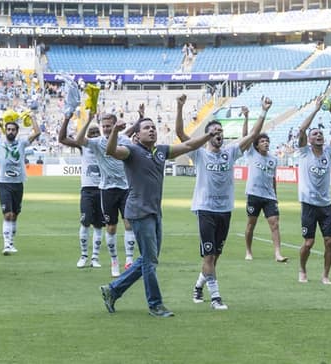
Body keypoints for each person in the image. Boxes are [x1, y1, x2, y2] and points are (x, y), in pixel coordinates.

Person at [99, 109, 217, 317]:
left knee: (148, 259)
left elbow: (188, 145)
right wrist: (116, 132)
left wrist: (208, 135)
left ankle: (113, 290)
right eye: (147, 128)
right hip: (138, 212)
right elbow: (111, 151)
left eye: (153, 127)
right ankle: (155, 304)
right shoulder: (131, 151)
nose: (152, 130)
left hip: (154, 212)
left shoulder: (161, 151)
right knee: (150, 261)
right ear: (137, 135)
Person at [176, 95, 271, 310]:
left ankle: (199, 286)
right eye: (214, 132)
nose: (219, 134)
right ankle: (216, 298)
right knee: (209, 254)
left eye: (221, 131)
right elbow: (181, 134)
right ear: (208, 135)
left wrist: (263, 111)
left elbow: (254, 134)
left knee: (215, 256)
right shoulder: (199, 154)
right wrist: (181, 106)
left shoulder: (231, 152)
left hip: (225, 209)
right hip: (205, 209)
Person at [76, 113, 137, 278]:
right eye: (104, 126)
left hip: (125, 188)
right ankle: (114, 261)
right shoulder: (97, 143)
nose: (106, 129)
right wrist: (88, 120)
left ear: (115, 125)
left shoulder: (124, 140)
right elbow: (79, 140)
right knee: (111, 227)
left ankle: (129, 260)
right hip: (107, 189)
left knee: (129, 224)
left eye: (109, 126)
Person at [296, 96, 331, 285]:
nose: (318, 136)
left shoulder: (329, 153)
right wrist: (315, 109)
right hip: (308, 204)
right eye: (315, 134)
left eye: (320, 134)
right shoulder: (304, 152)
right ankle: (302, 269)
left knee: (329, 241)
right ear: (309, 139)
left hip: (326, 205)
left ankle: (325, 275)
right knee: (309, 242)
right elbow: (301, 130)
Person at [0, 115, 41, 255]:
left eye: (13, 130)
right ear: (5, 130)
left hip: (18, 183)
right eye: (8, 129)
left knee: (15, 215)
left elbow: (37, 132)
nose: (10, 132)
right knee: (7, 214)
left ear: (17, 131)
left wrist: (32, 118)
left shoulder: (22, 143)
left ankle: (11, 242)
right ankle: (7, 245)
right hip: (4, 183)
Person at [239, 106, 288, 262]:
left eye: (267, 141)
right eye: (262, 141)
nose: (266, 143)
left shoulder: (273, 159)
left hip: (269, 197)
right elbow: (245, 136)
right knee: (250, 225)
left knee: (274, 224)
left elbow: (273, 179)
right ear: (257, 145)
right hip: (254, 194)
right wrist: (246, 118)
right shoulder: (251, 153)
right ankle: (248, 250)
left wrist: (275, 196)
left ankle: (278, 253)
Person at [58, 112, 104, 268]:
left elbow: (126, 135)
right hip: (88, 190)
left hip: (103, 189)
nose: (95, 135)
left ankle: (95, 258)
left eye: (97, 132)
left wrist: (139, 119)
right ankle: (84, 255)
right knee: (85, 223)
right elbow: (62, 138)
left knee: (99, 225)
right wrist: (69, 118)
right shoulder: (83, 146)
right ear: (87, 135)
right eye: (92, 133)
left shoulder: (105, 145)